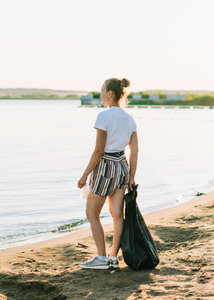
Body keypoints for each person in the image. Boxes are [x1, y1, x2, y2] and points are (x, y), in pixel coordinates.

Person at [77, 78, 139, 269]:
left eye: (103, 90)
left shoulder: (104, 116)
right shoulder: (130, 119)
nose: (101, 93)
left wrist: (84, 175)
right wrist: (131, 177)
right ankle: (113, 257)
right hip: (121, 166)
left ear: (110, 93)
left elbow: (98, 151)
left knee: (92, 213)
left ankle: (101, 258)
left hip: (105, 167)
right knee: (117, 215)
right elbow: (134, 151)